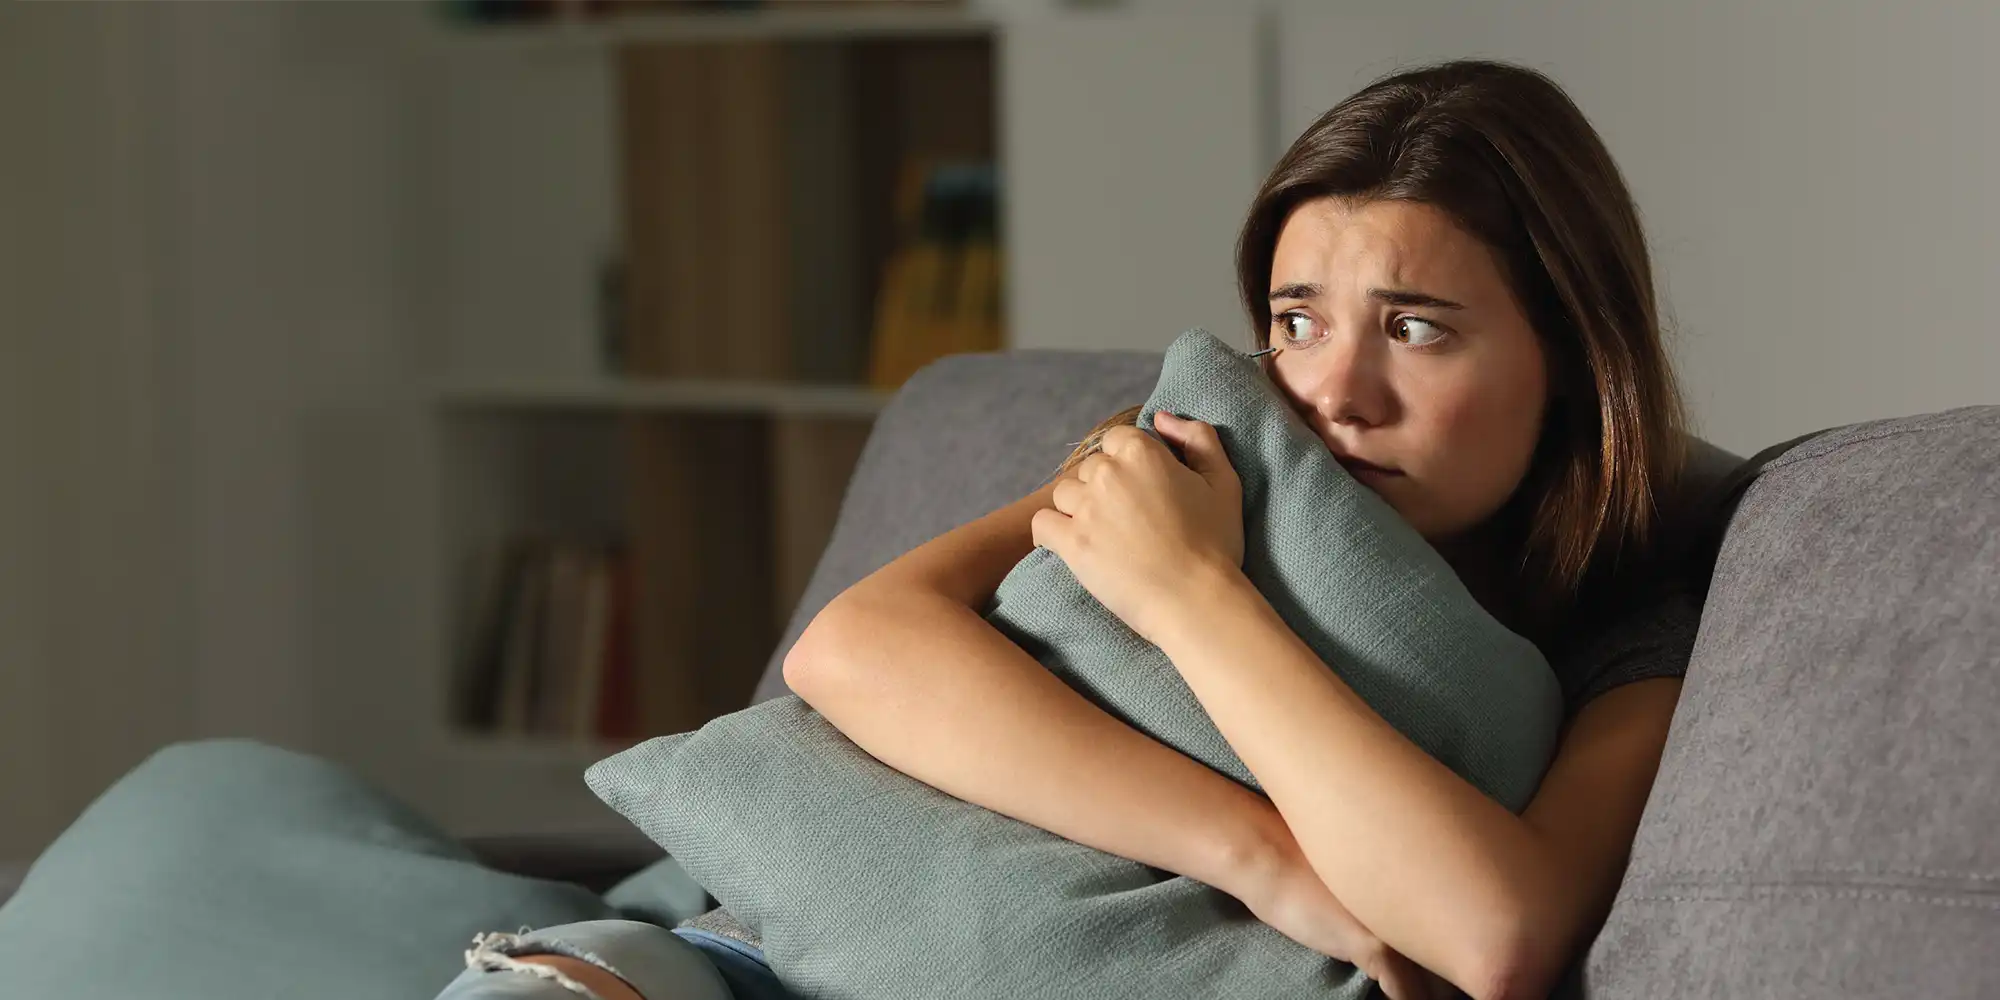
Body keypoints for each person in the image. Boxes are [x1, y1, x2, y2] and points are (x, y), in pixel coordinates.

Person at [448, 57, 1702, 1000]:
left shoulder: (1630, 631)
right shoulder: (1199, 457)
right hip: (733, 952)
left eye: (1415, 326)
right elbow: (855, 649)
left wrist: (1191, 600)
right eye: (1297, 319)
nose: (1331, 394)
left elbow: (1496, 935)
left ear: (1570, 360)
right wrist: (1265, 857)